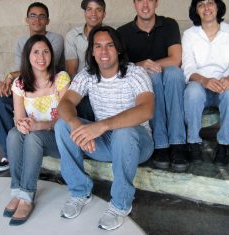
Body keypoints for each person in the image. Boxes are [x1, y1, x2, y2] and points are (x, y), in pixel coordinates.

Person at [54, 26, 154, 231]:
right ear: (91, 51)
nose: (104, 51)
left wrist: (102, 125)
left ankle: (120, 204)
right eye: (98, 46)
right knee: (62, 124)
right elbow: (65, 103)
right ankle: (80, 191)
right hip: (104, 143)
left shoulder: (135, 73)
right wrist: (76, 125)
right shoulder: (87, 75)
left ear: (118, 49)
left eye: (109, 45)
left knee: (124, 132)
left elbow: (146, 110)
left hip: (137, 144)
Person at [117, 0, 188, 172]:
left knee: (173, 73)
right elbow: (120, 67)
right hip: (143, 86)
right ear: (134, 4)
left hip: (169, 80)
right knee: (152, 78)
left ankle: (178, 143)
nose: (145, 5)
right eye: (140, 0)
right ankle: (161, 144)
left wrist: (152, 65)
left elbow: (176, 59)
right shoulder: (122, 32)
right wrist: (142, 65)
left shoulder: (169, 24)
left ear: (156, 2)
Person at [3, 34, 70, 225]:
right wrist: (23, 124)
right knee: (14, 134)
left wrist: (42, 125)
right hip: (33, 137)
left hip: (58, 139)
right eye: (36, 52)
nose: (41, 57)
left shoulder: (61, 79)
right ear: (28, 56)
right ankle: (17, 191)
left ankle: (27, 196)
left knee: (34, 138)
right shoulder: (20, 84)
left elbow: (67, 118)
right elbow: (18, 118)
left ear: (52, 55)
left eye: (46, 51)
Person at [0, 2, 65, 172]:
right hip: (29, 86)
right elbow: (26, 70)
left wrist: (10, 75)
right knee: (0, 103)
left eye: (42, 16)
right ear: (26, 19)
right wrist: (11, 82)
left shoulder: (54, 39)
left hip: (49, 85)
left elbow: (42, 65)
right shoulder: (21, 42)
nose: (37, 19)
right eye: (33, 15)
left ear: (47, 20)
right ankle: (9, 155)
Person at [182, 0, 229, 166]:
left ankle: (224, 144)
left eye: (210, 2)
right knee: (192, 92)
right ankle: (193, 142)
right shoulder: (189, 35)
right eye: (201, 4)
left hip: (223, 84)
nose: (206, 8)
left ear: (218, 6)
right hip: (200, 84)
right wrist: (204, 80)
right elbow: (188, 68)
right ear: (196, 10)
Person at [64, 0, 106, 121]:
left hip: (105, 85)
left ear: (104, 14)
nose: (93, 13)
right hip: (82, 86)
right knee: (83, 105)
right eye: (89, 9)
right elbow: (72, 70)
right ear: (84, 13)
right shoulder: (73, 35)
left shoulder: (111, 34)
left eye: (98, 10)